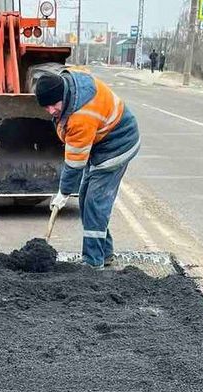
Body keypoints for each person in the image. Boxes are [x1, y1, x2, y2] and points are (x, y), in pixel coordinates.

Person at [35, 70, 140, 269]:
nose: (50, 111)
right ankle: (105, 253)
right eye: (46, 107)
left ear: (63, 95)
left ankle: (93, 262)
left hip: (118, 145)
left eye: (54, 105)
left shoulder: (81, 117)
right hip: (101, 142)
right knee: (86, 200)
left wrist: (63, 192)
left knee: (94, 202)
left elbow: (75, 163)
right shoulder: (68, 88)